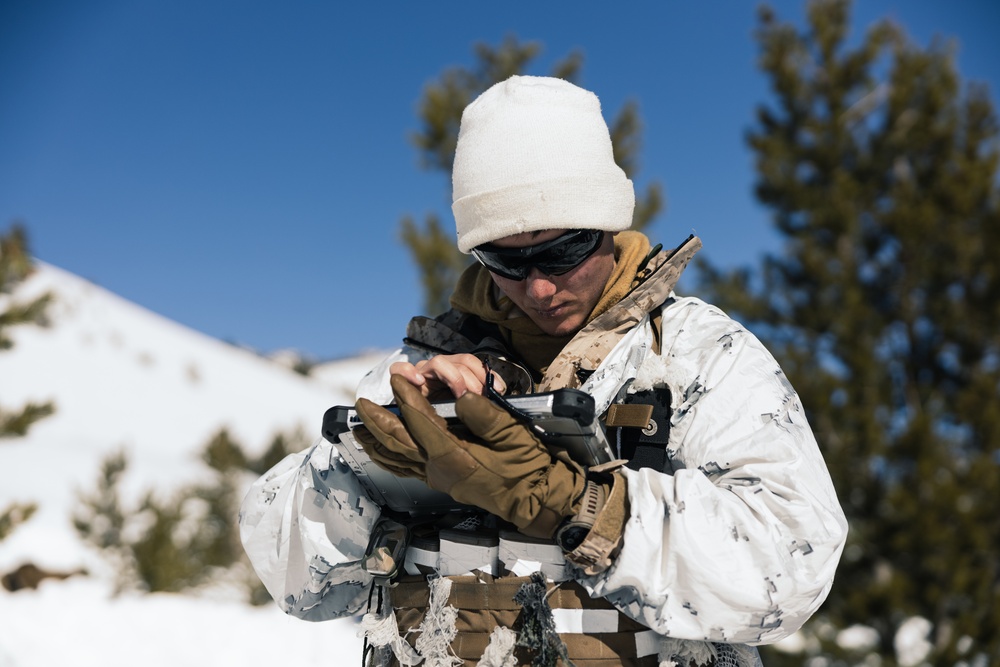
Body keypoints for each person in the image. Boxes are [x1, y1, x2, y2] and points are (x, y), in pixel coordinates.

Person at [240, 75, 848, 667]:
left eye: (563, 251)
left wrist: (583, 507)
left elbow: (789, 572)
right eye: (504, 260)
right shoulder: (417, 370)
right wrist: (361, 466)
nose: (538, 286)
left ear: (609, 225)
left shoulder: (696, 357)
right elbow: (295, 582)